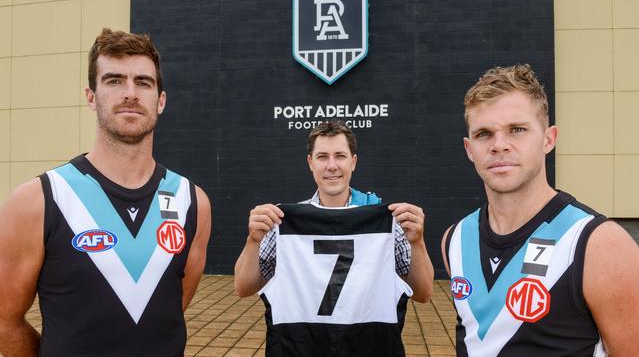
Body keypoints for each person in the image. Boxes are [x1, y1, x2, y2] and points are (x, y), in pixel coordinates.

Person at [0, 28, 211, 356]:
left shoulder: (191, 201)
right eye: (114, 80)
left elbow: (171, 307)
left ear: (161, 100)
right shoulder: (38, 200)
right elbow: (4, 320)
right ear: (90, 96)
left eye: (143, 82)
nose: (130, 93)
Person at [441, 64, 639, 356]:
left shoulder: (599, 245)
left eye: (517, 130)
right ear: (469, 148)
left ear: (548, 139)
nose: (499, 145)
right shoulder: (455, 239)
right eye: (484, 134)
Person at [234, 120, 434, 355]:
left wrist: (417, 242)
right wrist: (253, 240)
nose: (331, 166)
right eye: (322, 157)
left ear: (353, 161)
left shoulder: (389, 224)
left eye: (340, 156)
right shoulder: (281, 221)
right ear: (310, 163)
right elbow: (243, 287)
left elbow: (423, 293)